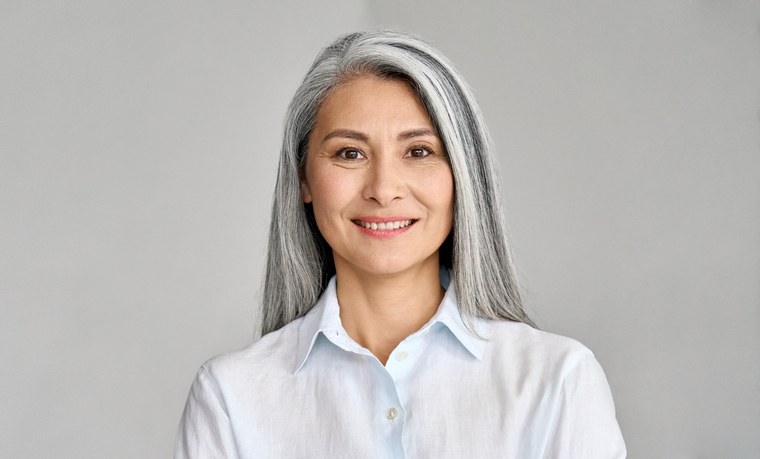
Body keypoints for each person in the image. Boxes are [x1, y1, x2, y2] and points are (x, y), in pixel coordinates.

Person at [175, 30, 626, 458]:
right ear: (303, 179)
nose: (384, 189)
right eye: (350, 153)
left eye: (419, 151)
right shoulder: (230, 398)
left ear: (462, 175)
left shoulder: (558, 381)